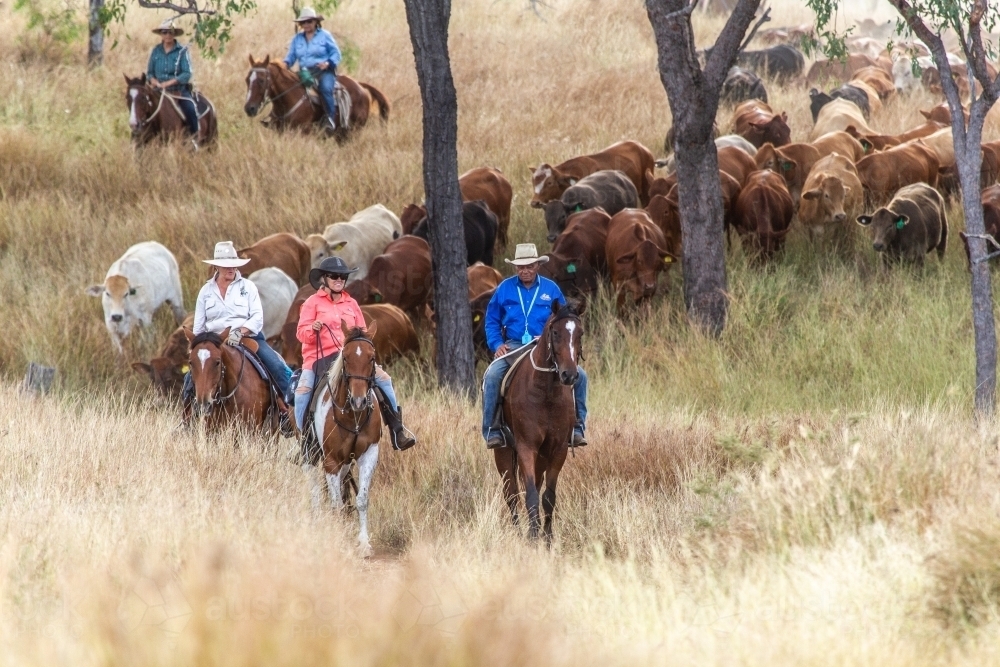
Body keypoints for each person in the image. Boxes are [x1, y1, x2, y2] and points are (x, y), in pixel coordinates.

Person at [294, 256, 416, 451]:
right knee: (302, 393)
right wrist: (313, 328)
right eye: (335, 276)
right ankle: (306, 442)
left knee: (385, 380)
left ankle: (397, 431)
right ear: (324, 279)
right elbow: (301, 333)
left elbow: (362, 333)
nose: (339, 280)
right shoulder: (311, 303)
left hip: (350, 357)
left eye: (343, 276)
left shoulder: (351, 304)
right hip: (318, 358)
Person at [482, 243, 588, 449]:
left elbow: (564, 319)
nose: (525, 270)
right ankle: (492, 429)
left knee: (581, 376)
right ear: (515, 268)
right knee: (493, 375)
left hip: (545, 346)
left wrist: (550, 336)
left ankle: (577, 428)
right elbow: (491, 320)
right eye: (521, 267)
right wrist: (497, 344)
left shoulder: (551, 289)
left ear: (537, 265)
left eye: (530, 266)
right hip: (513, 347)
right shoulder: (504, 289)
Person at [182, 242, 293, 431]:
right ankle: (187, 418)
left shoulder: (248, 287)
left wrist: (240, 331)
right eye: (226, 265)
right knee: (192, 374)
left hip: (247, 337)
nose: (231, 268)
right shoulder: (205, 292)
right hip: (214, 341)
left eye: (234, 263)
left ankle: (287, 412)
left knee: (276, 366)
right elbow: (200, 326)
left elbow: (257, 318)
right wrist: (201, 344)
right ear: (216, 266)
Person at [284, 7, 342, 136]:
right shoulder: (297, 39)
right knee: (286, 88)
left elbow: (336, 53)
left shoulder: (325, 35)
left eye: (309, 21)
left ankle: (330, 120)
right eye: (303, 22)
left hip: (323, 71)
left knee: (326, 89)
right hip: (304, 72)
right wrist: (285, 64)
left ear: (315, 22)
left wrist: (328, 63)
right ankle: (278, 118)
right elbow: (291, 56)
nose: (306, 25)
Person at [146, 19, 200, 144]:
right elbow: (149, 73)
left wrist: (168, 83)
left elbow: (186, 73)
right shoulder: (156, 51)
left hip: (178, 92)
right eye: (164, 32)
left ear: (174, 34)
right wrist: (154, 81)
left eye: (170, 32)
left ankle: (194, 140)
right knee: (141, 109)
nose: (168, 35)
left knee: (191, 110)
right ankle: (141, 141)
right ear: (161, 34)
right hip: (157, 91)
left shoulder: (182, 51)